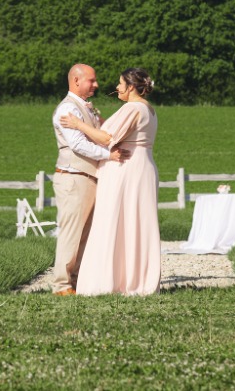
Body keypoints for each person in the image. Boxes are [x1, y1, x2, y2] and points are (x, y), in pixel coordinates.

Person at [60, 67, 161, 296]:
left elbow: (107, 138)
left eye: (120, 84)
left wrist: (78, 124)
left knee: (115, 220)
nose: (116, 88)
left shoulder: (132, 108)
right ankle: (136, 277)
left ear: (131, 87)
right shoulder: (148, 109)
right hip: (143, 166)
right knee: (136, 223)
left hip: (126, 169)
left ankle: (109, 280)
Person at [50, 64, 126, 296]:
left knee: (85, 233)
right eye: (91, 81)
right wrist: (109, 156)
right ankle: (61, 285)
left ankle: (75, 281)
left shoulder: (85, 108)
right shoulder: (66, 110)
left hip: (88, 177)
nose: (96, 85)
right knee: (72, 232)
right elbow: (78, 144)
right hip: (74, 177)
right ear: (75, 80)